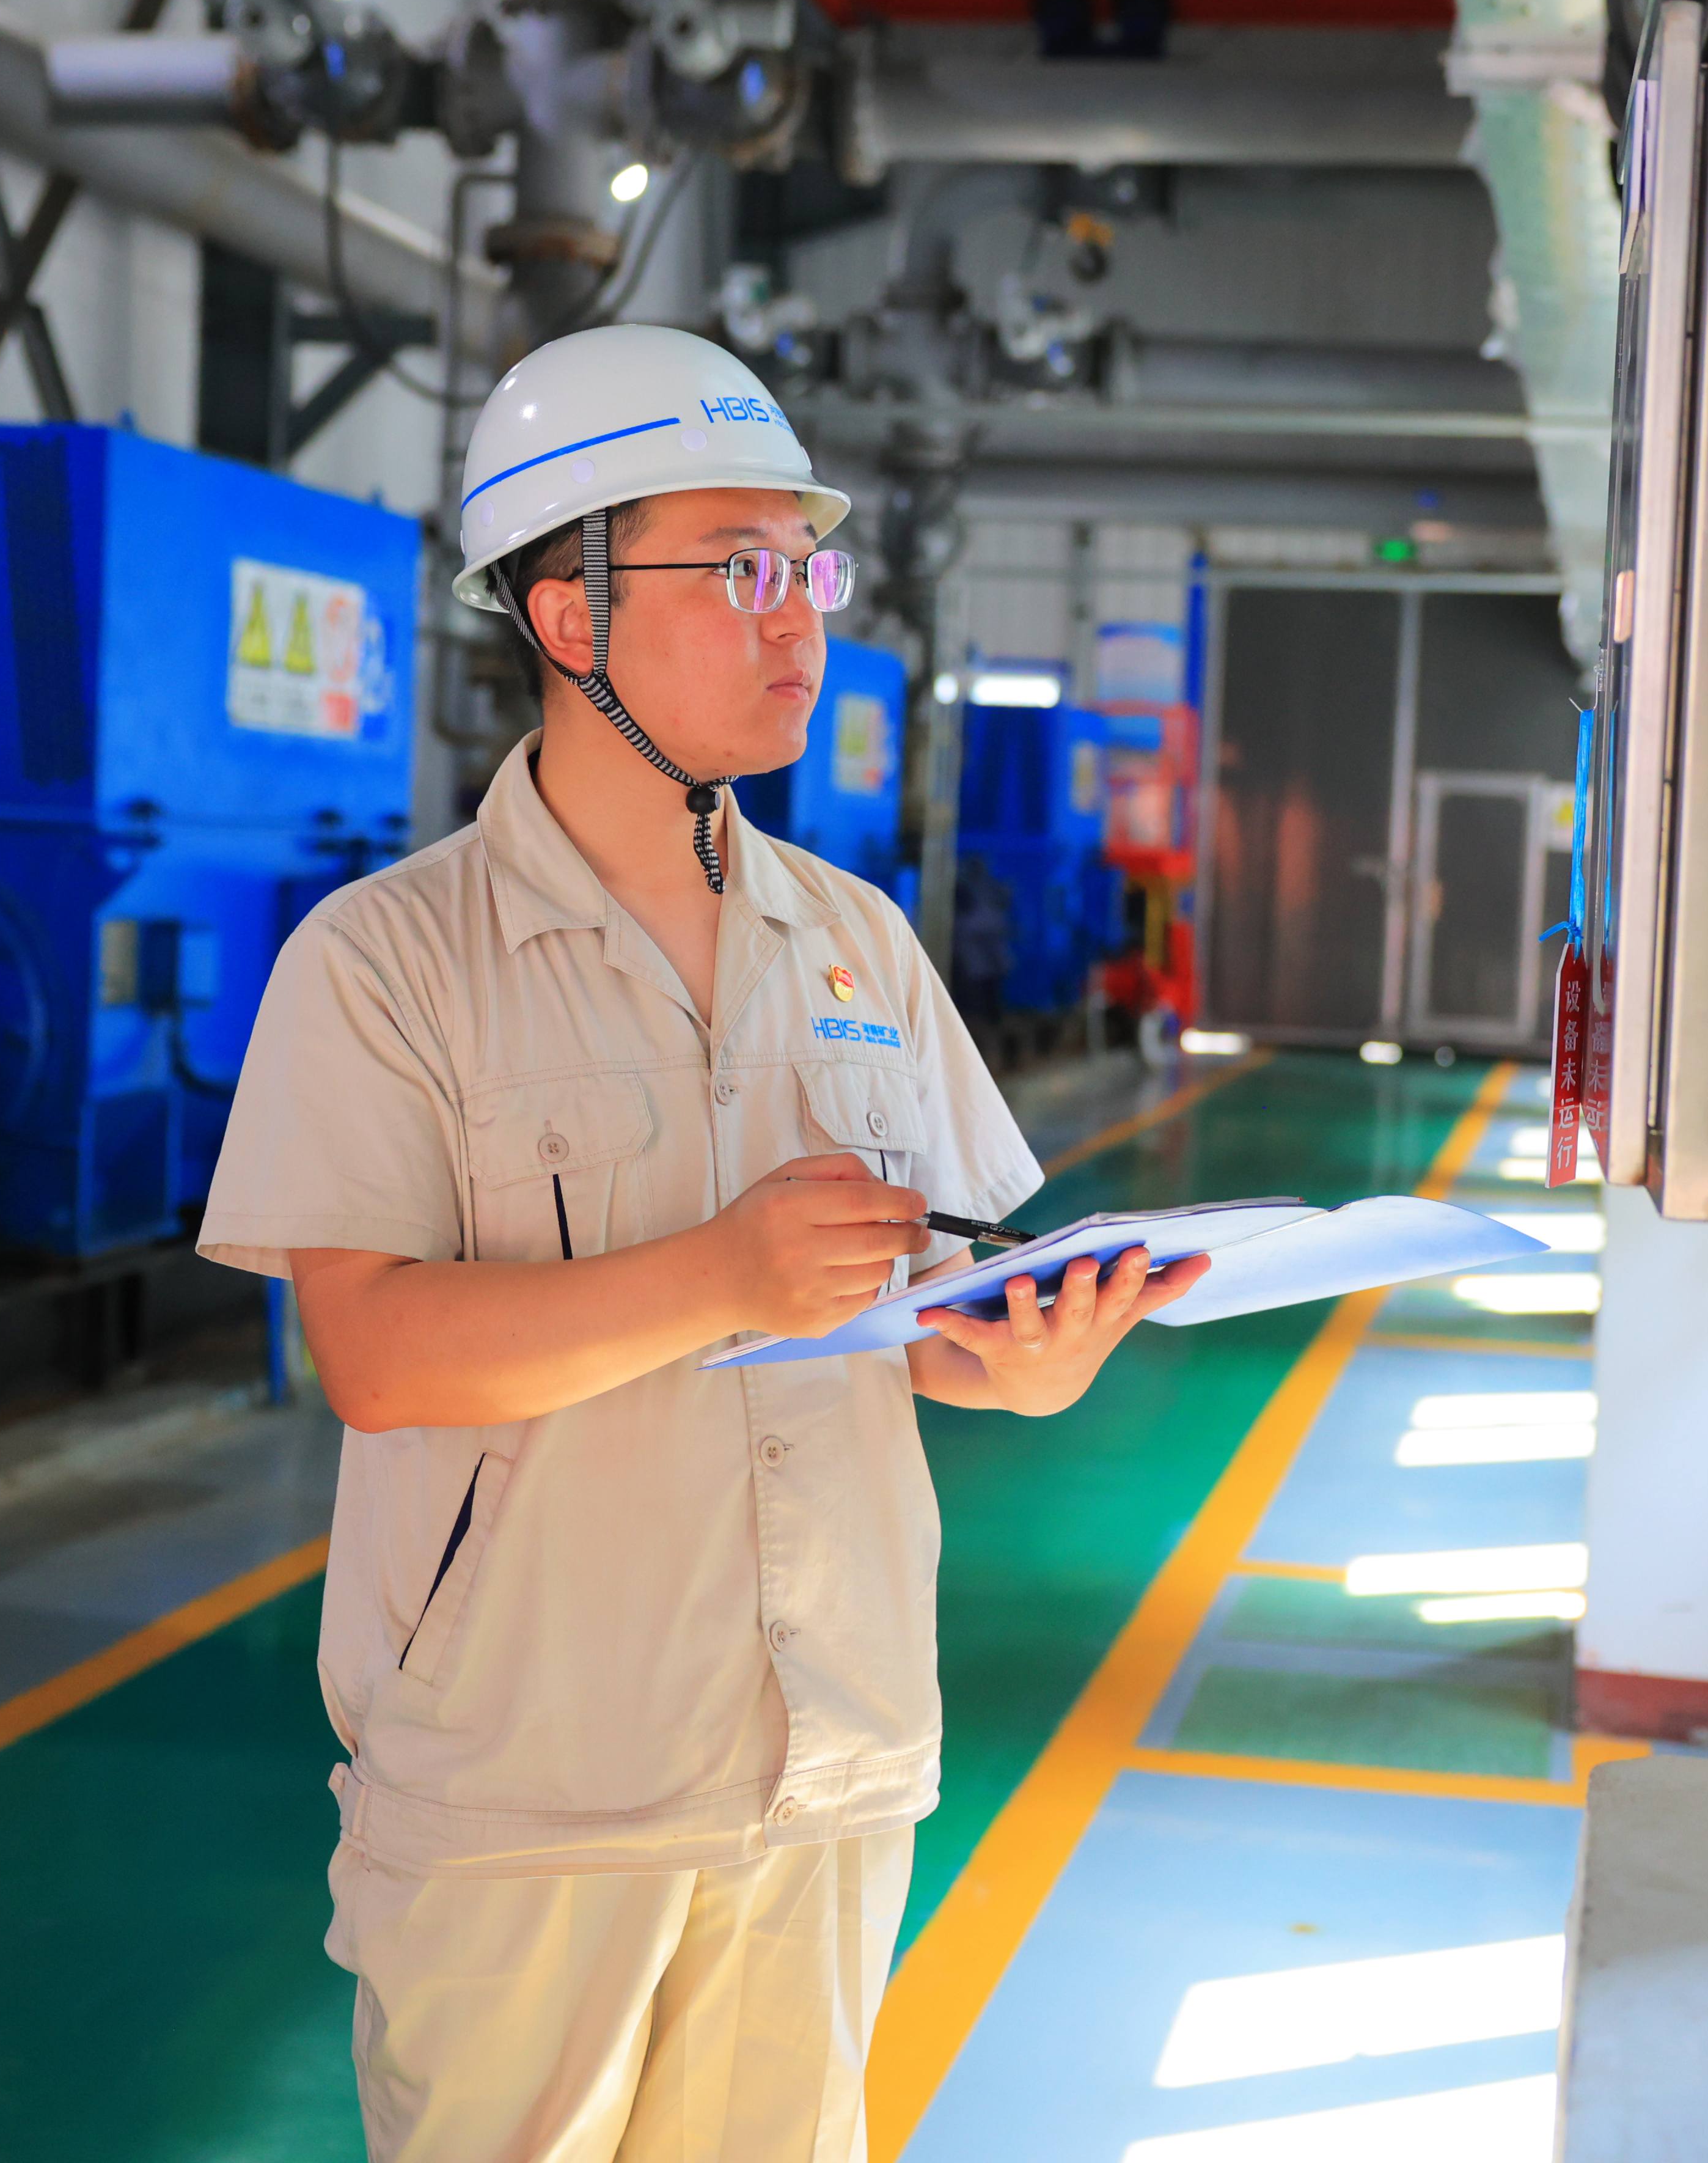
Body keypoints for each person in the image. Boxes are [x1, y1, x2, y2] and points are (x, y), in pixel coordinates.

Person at [197, 323, 1209, 2163]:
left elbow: (924, 1316)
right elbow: (380, 1356)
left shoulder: (859, 945)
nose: (800, 621)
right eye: (741, 571)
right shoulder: (386, 963)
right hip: (530, 1792)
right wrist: (722, 1279)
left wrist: (1024, 1362)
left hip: (828, 1768)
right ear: (568, 612)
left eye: (809, 570)